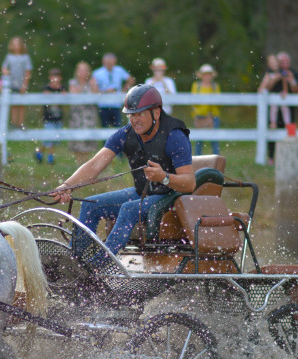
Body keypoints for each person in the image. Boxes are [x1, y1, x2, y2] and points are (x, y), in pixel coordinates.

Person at [53, 84, 195, 265]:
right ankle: (72, 263)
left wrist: (164, 177)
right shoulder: (125, 134)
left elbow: (189, 183)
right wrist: (67, 186)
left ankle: (97, 267)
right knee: (90, 205)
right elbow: (95, 165)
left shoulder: (175, 136)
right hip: (142, 193)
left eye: (140, 114)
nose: (134, 120)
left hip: (170, 196)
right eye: (131, 114)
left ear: (156, 113)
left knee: (128, 210)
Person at [259, 54, 290, 164]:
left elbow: (285, 83)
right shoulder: (268, 74)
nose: (274, 65)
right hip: (272, 101)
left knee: (284, 115)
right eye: (272, 63)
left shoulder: (282, 72)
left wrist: (285, 91)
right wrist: (273, 80)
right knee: (273, 111)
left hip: (281, 100)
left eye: (275, 62)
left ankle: (288, 124)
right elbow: (263, 89)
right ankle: (271, 157)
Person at [67, 61, 100, 164]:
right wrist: (82, 85)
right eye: (81, 70)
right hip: (77, 115)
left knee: (88, 140)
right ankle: (78, 164)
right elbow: (74, 94)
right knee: (77, 141)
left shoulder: (92, 83)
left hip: (89, 116)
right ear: (77, 72)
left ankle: (86, 164)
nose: (83, 72)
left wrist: (93, 85)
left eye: (85, 70)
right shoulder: (72, 82)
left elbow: (97, 96)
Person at [92, 53, 133, 128]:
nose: (109, 64)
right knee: (105, 127)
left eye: (111, 62)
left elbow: (131, 80)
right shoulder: (97, 73)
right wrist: (106, 91)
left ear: (115, 61)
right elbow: (94, 90)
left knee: (118, 128)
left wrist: (123, 91)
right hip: (103, 105)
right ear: (103, 62)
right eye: (107, 62)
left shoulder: (119, 70)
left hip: (116, 104)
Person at [34, 68, 66, 165]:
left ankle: (39, 152)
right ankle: (50, 158)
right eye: (53, 76)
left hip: (58, 117)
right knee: (49, 137)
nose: (55, 79)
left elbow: (65, 97)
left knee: (53, 138)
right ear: (50, 77)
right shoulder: (47, 88)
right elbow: (47, 97)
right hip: (48, 118)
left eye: (57, 76)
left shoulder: (62, 88)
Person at [1, 36, 32, 129]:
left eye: (17, 44)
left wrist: (24, 84)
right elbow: (4, 67)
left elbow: (28, 72)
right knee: (14, 104)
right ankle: (14, 123)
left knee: (21, 104)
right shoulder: (9, 57)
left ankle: (21, 123)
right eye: (14, 44)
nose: (16, 46)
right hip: (12, 84)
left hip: (22, 84)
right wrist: (6, 72)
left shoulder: (25, 57)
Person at [190, 63, 221, 155]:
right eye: (205, 74)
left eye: (209, 74)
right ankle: (198, 160)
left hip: (213, 116)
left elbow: (219, 103)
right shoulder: (196, 86)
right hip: (200, 116)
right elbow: (193, 102)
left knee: (214, 140)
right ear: (202, 76)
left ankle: (216, 160)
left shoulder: (215, 86)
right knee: (199, 141)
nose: (207, 77)